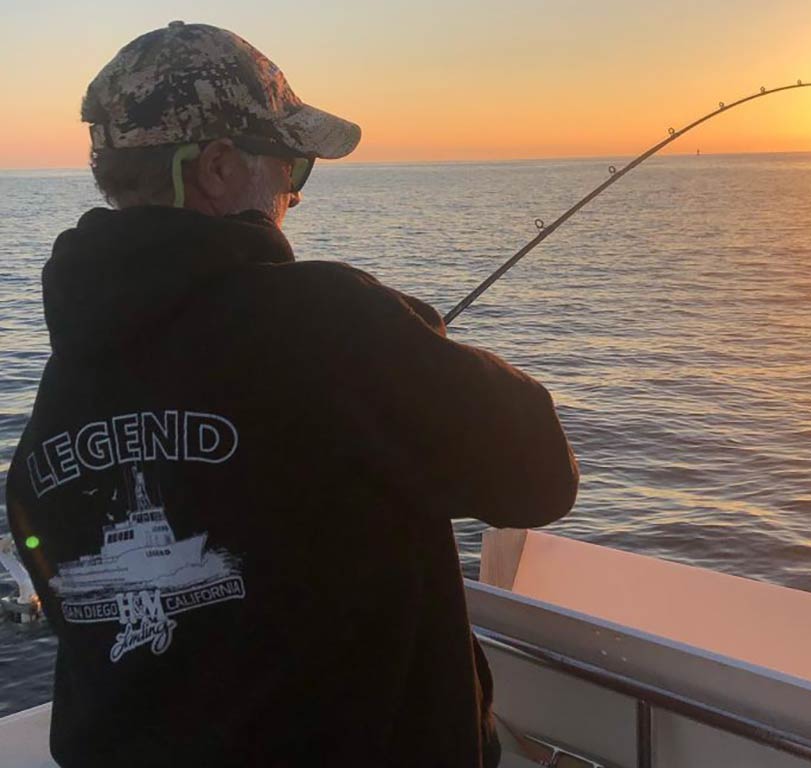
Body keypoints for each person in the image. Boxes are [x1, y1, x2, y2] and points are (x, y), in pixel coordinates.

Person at [5, 21, 578, 768]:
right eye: (292, 167)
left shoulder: (67, 374)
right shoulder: (324, 321)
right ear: (215, 168)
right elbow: (539, 475)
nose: (294, 196)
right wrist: (410, 337)